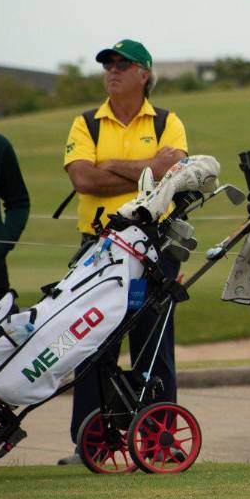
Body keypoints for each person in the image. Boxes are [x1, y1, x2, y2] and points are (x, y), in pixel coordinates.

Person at [58, 39, 187, 465]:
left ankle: (157, 441)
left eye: (121, 64)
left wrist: (111, 165)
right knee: (94, 344)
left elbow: (174, 174)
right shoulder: (86, 123)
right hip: (97, 245)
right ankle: (92, 444)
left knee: (153, 345)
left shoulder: (168, 122)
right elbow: (84, 180)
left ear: (144, 74)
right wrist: (147, 169)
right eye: (107, 65)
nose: (111, 71)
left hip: (155, 245)